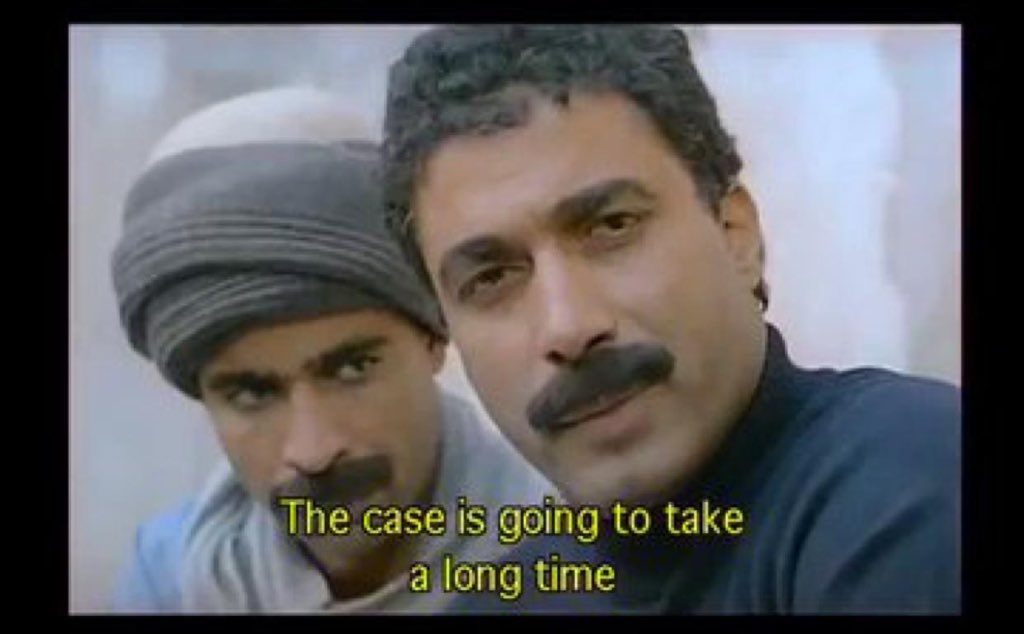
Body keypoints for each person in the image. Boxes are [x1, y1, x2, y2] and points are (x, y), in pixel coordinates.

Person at [380, 26, 960, 613]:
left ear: (735, 232)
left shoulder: (910, 484)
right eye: (491, 278)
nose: (568, 326)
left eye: (612, 227)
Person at [108, 87, 553, 613]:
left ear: (434, 338)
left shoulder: (576, 554)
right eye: (252, 395)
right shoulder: (173, 576)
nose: (314, 452)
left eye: (352, 369)